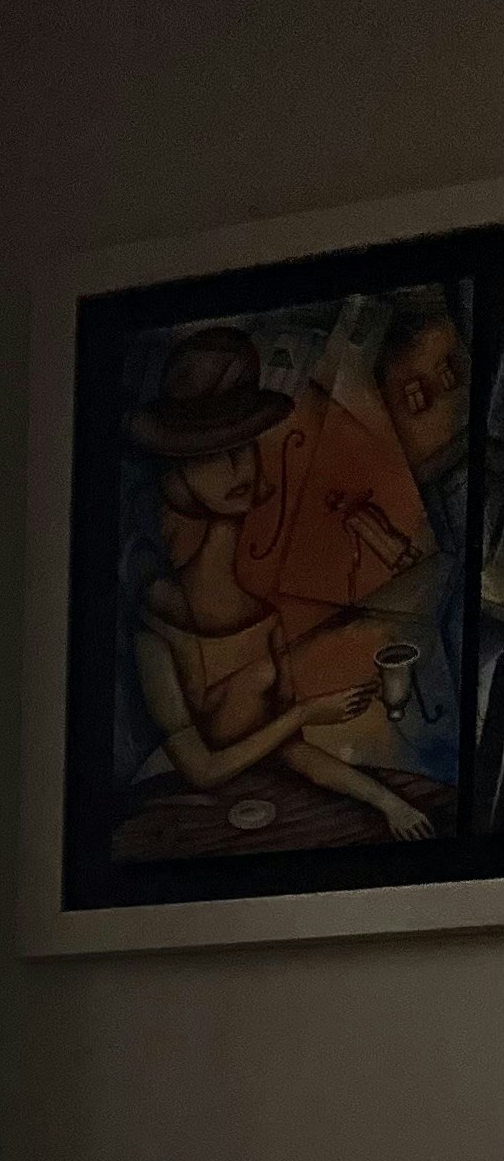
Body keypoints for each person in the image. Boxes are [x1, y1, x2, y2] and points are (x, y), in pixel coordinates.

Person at [123, 324, 430, 843]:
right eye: (209, 452)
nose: (238, 465)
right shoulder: (156, 628)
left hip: (260, 809)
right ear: (176, 473)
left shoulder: (263, 618)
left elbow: (292, 750)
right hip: (176, 817)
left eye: (244, 445)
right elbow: (200, 768)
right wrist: (308, 710)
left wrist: (387, 802)